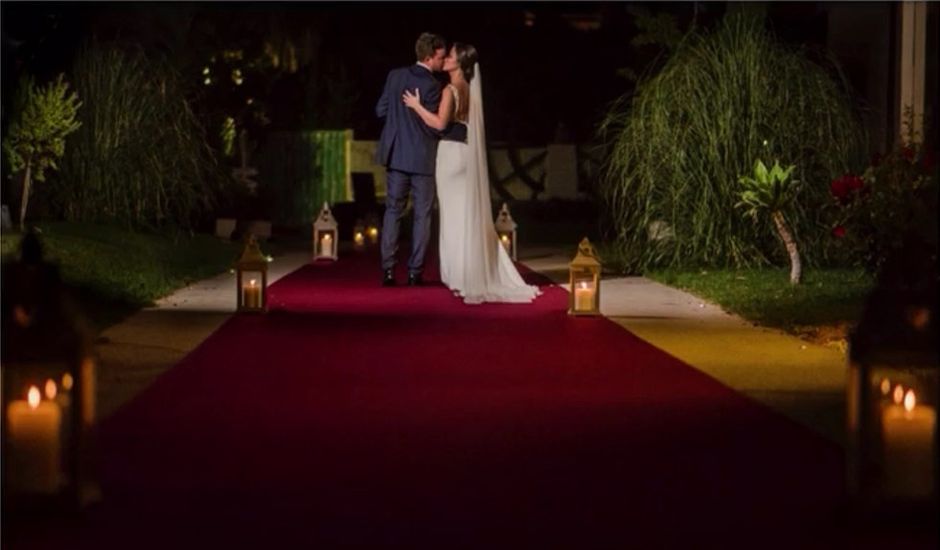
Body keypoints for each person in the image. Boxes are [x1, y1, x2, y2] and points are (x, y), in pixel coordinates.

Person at [403, 43, 541, 304]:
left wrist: (416, 106)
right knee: (468, 214)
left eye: (451, 57)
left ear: (459, 63)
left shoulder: (451, 90)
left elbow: (440, 123)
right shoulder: (471, 90)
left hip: (450, 155)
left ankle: (459, 275)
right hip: (467, 155)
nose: (446, 60)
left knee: (453, 216)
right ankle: (472, 272)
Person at [375, 32, 446, 287]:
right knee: (421, 215)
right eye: (440, 57)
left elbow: (381, 110)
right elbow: (434, 127)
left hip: (396, 156)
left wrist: (399, 118)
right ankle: (415, 272)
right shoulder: (433, 85)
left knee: (392, 211)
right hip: (422, 158)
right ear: (429, 57)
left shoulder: (395, 76)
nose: (443, 61)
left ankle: (388, 271)